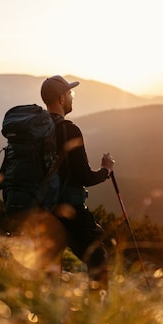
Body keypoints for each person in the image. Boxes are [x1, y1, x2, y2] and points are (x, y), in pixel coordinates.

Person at [40, 75, 115, 296]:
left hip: (40, 210)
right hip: (69, 211)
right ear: (61, 99)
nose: (72, 97)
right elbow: (84, 177)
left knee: (50, 268)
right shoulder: (69, 130)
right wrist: (106, 171)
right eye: (70, 93)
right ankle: (96, 317)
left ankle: (48, 317)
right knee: (99, 255)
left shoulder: (38, 130)